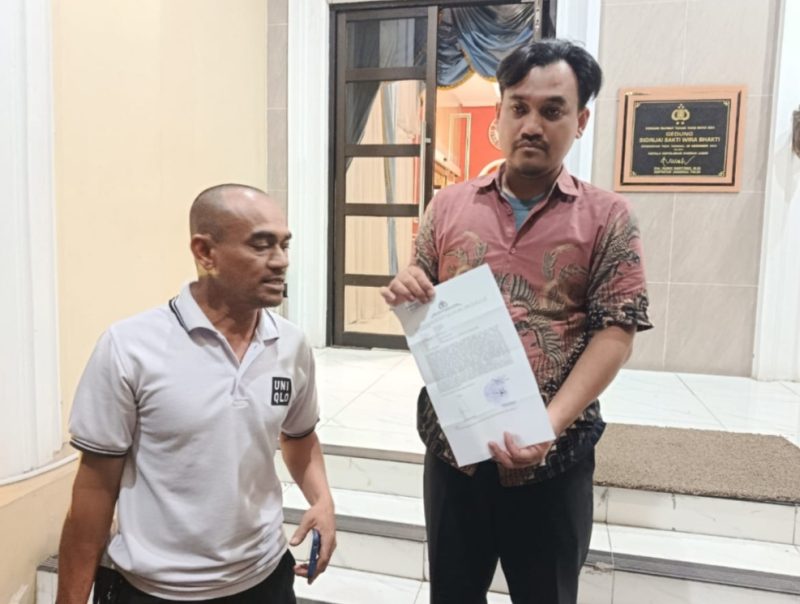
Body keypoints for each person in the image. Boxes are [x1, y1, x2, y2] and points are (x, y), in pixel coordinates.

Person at [381, 40, 652, 604]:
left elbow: (616, 332)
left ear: (580, 121)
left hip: (555, 459)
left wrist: (548, 425)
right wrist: (409, 287)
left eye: (552, 110)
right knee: (453, 594)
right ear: (499, 115)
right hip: (455, 451)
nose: (532, 125)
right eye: (518, 107)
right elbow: (421, 289)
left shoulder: (608, 217)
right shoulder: (447, 206)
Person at [56, 184, 336, 604]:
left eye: (284, 245)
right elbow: (93, 492)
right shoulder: (129, 347)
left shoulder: (291, 345)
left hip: (266, 579)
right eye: (261, 245)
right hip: (157, 591)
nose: (281, 261)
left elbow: (300, 437)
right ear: (205, 253)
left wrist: (322, 499)